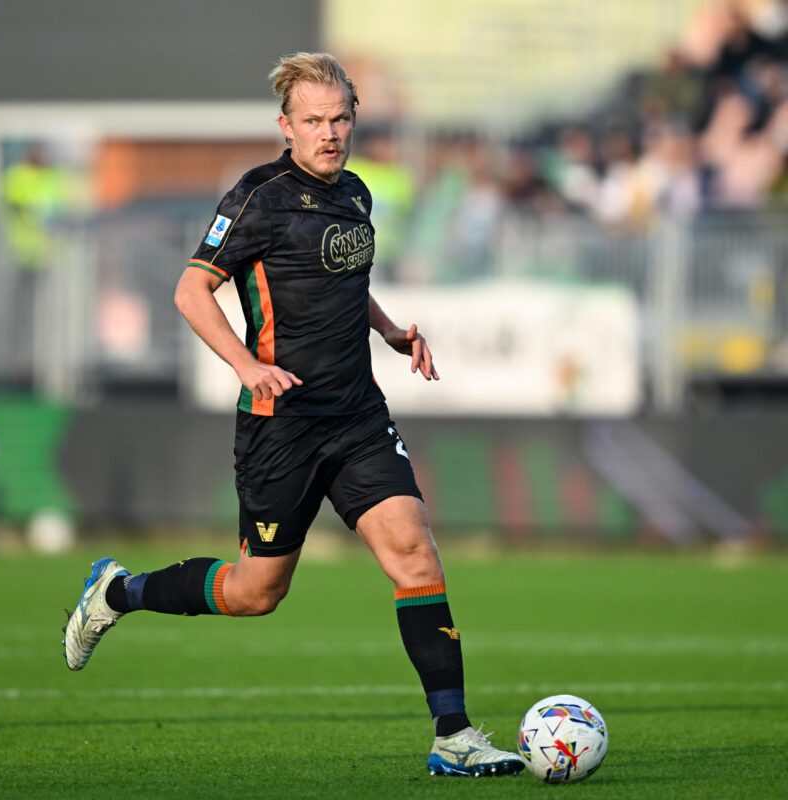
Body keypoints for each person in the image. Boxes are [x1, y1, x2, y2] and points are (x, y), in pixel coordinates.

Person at [63, 52, 523, 779]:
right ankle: (119, 592)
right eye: (314, 121)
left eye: (340, 118)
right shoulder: (258, 196)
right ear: (286, 126)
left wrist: (391, 331)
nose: (329, 133)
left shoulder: (359, 194)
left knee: (415, 552)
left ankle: (454, 736)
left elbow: (346, 283)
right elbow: (190, 292)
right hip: (283, 425)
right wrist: (246, 366)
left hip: (358, 415)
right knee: (257, 593)